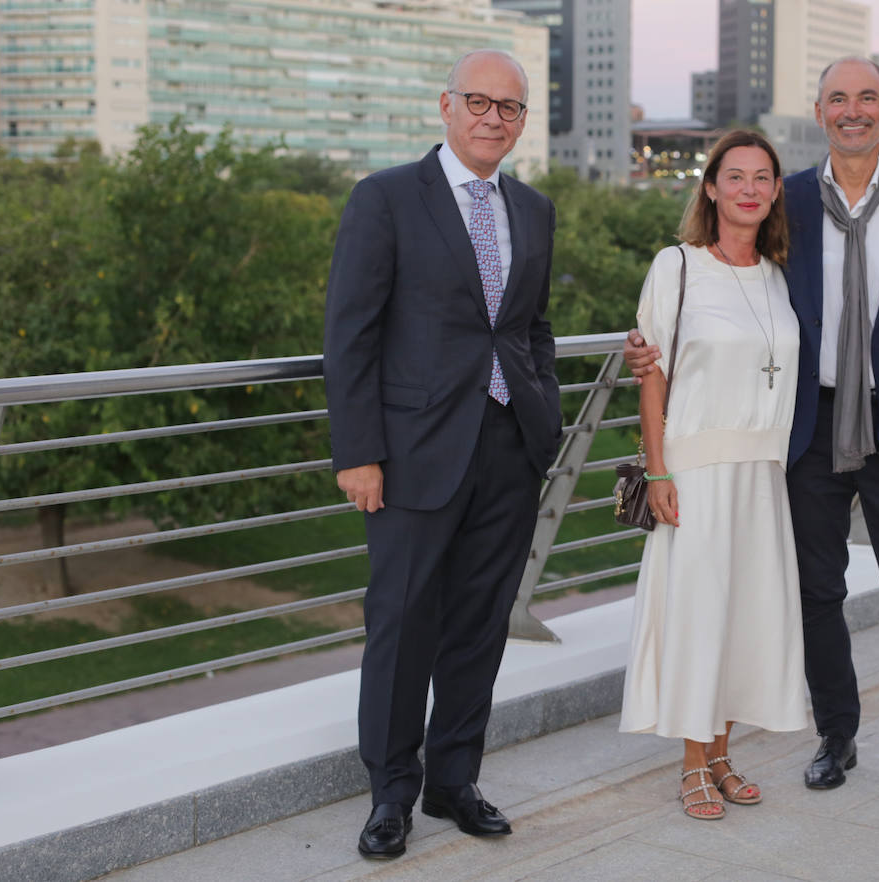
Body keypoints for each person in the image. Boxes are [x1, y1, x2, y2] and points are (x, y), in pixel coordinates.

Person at [625, 56, 879, 799]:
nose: (854, 110)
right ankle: (836, 737)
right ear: (820, 112)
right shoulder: (782, 202)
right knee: (816, 591)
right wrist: (648, 351)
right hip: (807, 429)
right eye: (839, 98)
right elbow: (723, 279)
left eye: (868, 98)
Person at [322, 49, 561, 859]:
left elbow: (531, 327)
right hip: (412, 451)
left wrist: (545, 419)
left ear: (523, 121)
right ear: (446, 106)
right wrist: (358, 451)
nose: (494, 117)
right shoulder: (386, 199)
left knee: (479, 625)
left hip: (508, 449)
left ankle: (454, 782)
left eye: (510, 107)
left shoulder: (534, 209)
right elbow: (349, 334)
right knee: (401, 624)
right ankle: (391, 793)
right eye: (479, 102)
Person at [618, 130, 807, 820]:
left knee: (742, 617)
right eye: (735, 177)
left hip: (762, 471)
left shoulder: (780, 274)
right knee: (699, 615)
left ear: (776, 191)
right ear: (710, 187)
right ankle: (693, 764)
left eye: (763, 177)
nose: (749, 189)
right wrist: (658, 469)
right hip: (695, 469)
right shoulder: (677, 266)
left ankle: (723, 754)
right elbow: (653, 376)